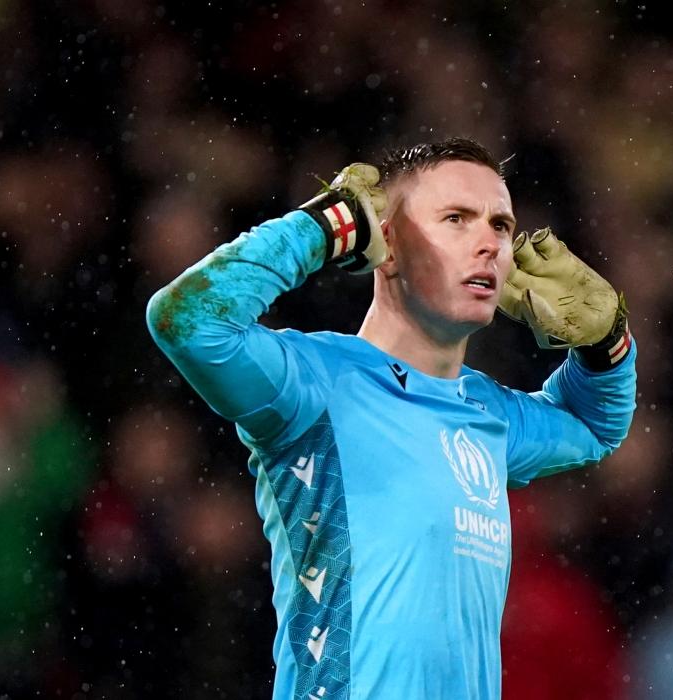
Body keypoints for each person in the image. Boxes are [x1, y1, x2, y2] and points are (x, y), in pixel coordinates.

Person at [146, 137, 637, 699]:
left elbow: (595, 426)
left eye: (500, 226)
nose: (489, 244)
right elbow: (186, 319)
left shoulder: (489, 414)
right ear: (387, 244)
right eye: (456, 219)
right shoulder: (314, 384)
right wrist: (322, 228)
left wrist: (607, 345)